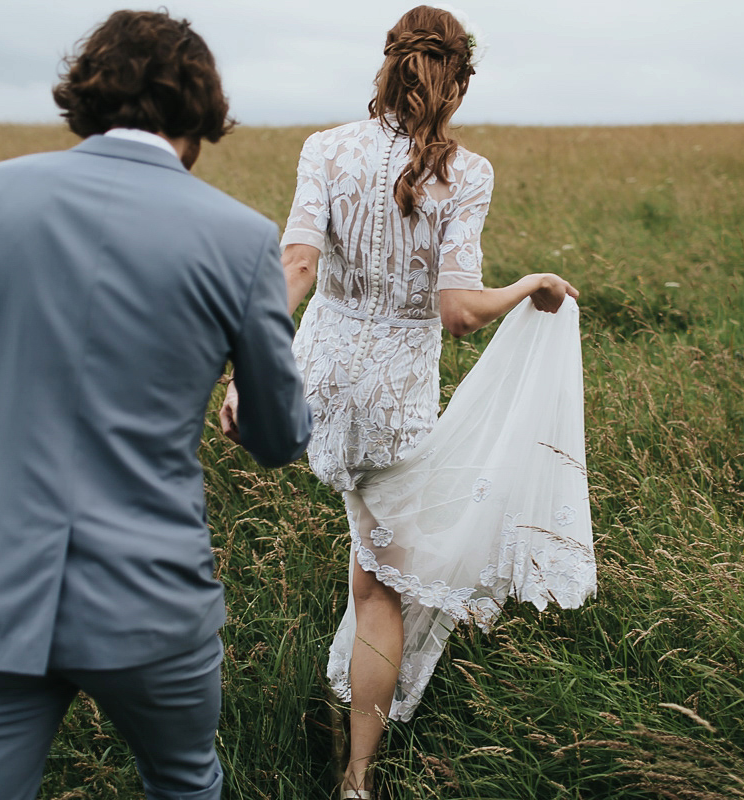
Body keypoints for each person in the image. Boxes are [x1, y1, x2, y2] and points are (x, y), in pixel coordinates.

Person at [0, 10, 311, 800]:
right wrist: (249, 406)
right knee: (184, 783)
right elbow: (278, 438)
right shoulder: (240, 237)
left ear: (85, 99)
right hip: (152, 601)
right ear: (199, 113)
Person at [219, 6, 594, 798]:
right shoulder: (469, 173)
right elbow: (457, 311)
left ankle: (346, 715)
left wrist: (250, 373)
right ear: (456, 81)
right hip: (392, 404)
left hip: (316, 382)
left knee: (373, 563)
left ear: (388, 65)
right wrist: (530, 285)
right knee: (381, 584)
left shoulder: (324, 148)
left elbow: (296, 269)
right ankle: (357, 779)